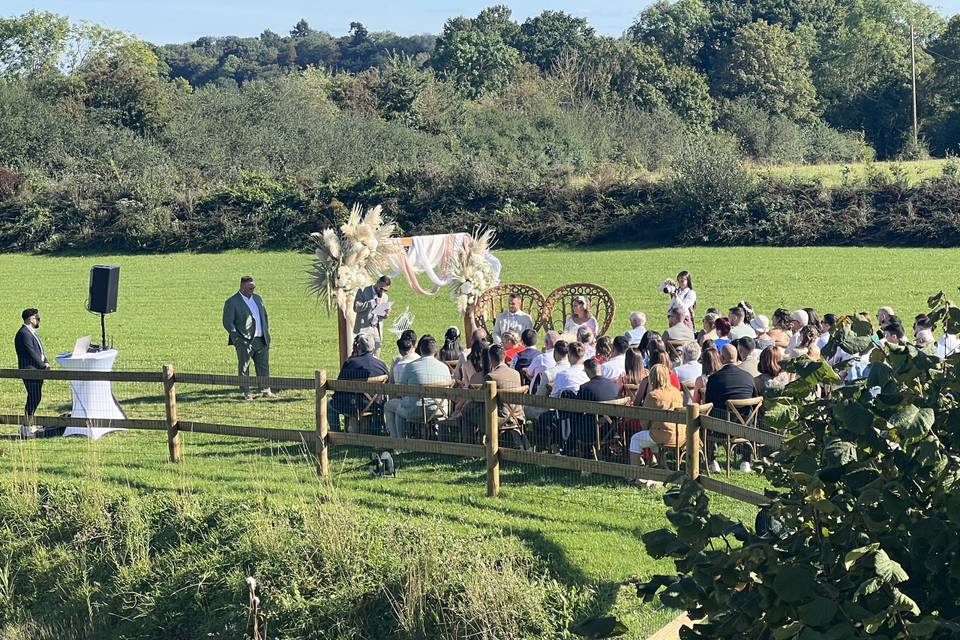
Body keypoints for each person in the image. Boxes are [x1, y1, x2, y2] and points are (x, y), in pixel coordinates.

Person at [222, 275, 274, 400]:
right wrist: (237, 338)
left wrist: (266, 332)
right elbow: (227, 322)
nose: (253, 289)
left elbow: (264, 316)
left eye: (253, 287)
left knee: (263, 366)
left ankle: (266, 390)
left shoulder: (257, 299)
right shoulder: (232, 302)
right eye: (250, 287)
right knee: (244, 366)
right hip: (244, 341)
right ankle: (246, 392)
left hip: (261, 339)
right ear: (242, 286)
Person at [328, 334, 389, 432]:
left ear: (357, 347)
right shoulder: (381, 364)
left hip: (352, 405)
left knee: (329, 405)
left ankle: (336, 434)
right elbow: (388, 384)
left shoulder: (350, 363)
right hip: (376, 405)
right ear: (373, 347)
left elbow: (339, 385)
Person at [628, 364, 684, 467]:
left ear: (652, 378)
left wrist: (647, 427)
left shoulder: (653, 395)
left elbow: (644, 420)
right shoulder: (676, 392)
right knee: (652, 437)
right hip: (680, 434)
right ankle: (662, 467)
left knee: (635, 439)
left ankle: (635, 473)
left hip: (663, 435)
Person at [396, 335, 453, 430]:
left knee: (395, 409)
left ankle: (400, 441)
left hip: (416, 410)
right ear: (435, 351)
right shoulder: (444, 367)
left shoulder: (410, 367)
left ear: (420, 350)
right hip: (440, 409)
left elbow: (402, 390)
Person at [15, 308, 50, 438]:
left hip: (36, 370)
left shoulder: (30, 333)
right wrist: (42, 365)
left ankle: (28, 423)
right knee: (34, 397)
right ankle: (26, 426)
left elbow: (39, 351)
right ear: (31, 319)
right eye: (37, 318)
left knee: (36, 396)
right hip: (30, 370)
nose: (38, 320)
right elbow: (31, 353)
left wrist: (45, 361)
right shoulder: (24, 334)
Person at [353, 275, 392, 356]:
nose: (382, 292)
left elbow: (381, 316)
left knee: (377, 351)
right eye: (381, 288)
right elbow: (356, 307)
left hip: (376, 327)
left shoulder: (385, 297)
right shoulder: (363, 291)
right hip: (364, 328)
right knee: (363, 353)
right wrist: (371, 303)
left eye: (385, 290)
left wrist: (386, 313)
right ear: (377, 283)